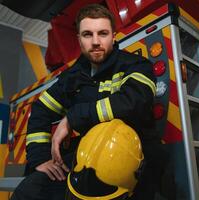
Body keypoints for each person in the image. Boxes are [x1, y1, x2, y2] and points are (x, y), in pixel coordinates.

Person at [11, 4, 164, 200]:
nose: (96, 41)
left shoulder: (135, 65)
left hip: (136, 160)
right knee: (29, 191)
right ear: (79, 40)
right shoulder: (73, 76)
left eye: (102, 33)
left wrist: (71, 118)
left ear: (113, 36)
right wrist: (40, 160)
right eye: (87, 34)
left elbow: (135, 103)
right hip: (88, 156)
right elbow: (41, 109)